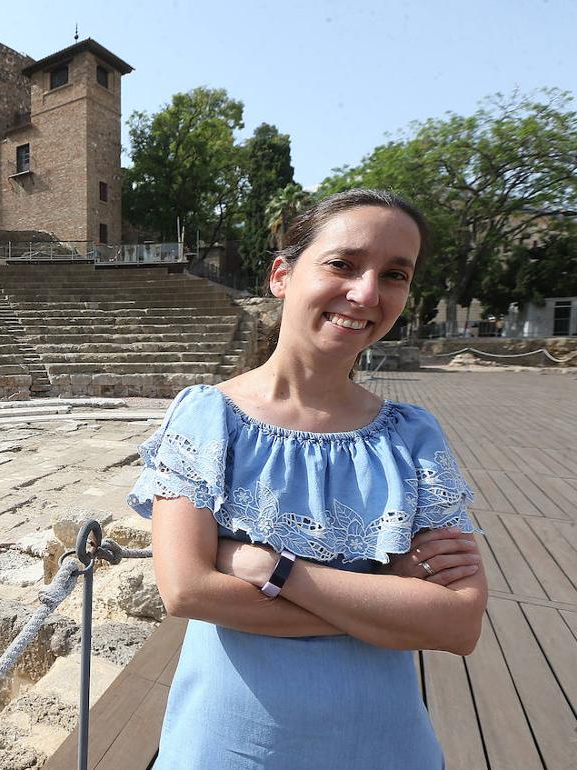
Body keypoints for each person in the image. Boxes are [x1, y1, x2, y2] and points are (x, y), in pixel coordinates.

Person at [128, 189, 487, 769]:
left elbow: (458, 622)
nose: (366, 293)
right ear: (282, 275)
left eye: (394, 274)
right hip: (232, 746)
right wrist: (383, 607)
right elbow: (187, 590)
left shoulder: (411, 436)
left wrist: (272, 569)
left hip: (381, 745)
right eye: (343, 264)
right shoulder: (207, 418)